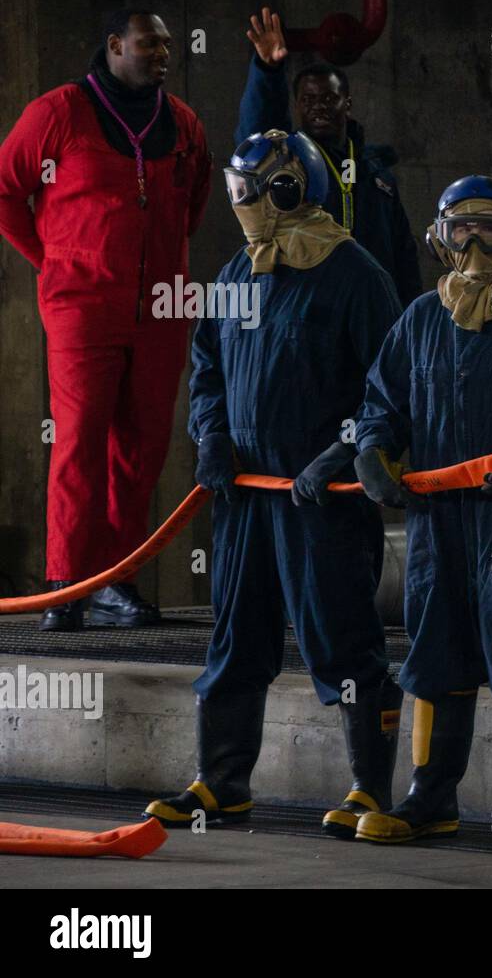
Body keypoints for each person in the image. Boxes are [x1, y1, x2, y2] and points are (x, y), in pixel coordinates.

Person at [144, 130, 403, 839]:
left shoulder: (354, 275)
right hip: (246, 495)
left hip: (320, 497)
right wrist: (212, 435)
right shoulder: (235, 276)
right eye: (240, 194)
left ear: (296, 188)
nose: (248, 207)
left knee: (342, 636)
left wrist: (343, 451)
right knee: (235, 635)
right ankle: (222, 784)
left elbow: (389, 386)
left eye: (259, 191)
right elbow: (208, 370)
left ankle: (370, 790)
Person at [344, 176, 492, 850]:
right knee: (435, 660)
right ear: (441, 240)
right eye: (460, 228)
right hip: (438, 529)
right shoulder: (419, 320)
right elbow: (381, 404)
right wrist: (373, 452)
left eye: (488, 227)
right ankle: (429, 796)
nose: (474, 242)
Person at [0, 10, 211, 630]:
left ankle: (114, 586)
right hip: (81, 306)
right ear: (115, 45)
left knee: (141, 448)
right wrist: (54, 261)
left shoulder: (186, 124)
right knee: (79, 440)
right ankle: (66, 583)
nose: (164, 53)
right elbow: (6, 192)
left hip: (162, 308)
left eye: (170, 44)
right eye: (150, 42)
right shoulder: (58, 113)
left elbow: (193, 204)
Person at [237, 7, 422, 306]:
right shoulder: (288, 165)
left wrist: (409, 319)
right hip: (310, 302)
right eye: (308, 100)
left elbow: (403, 255)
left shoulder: (378, 176)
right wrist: (268, 70)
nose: (318, 107)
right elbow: (254, 135)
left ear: (346, 104)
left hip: (371, 306)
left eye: (328, 98)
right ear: (297, 106)